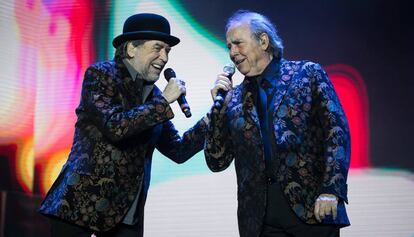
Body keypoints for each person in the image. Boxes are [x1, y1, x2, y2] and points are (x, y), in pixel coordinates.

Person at [39, 13, 207, 237]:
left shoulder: (153, 95)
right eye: (158, 48)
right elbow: (115, 127)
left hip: (127, 214)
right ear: (131, 49)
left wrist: (210, 120)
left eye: (168, 50)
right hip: (81, 207)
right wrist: (164, 101)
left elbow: (178, 150)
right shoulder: (101, 75)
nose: (164, 57)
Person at [205, 10, 350, 237]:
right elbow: (216, 161)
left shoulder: (307, 74)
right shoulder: (233, 99)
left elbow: (336, 132)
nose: (233, 53)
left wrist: (331, 190)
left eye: (238, 44)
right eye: (229, 47)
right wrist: (218, 113)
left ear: (263, 41)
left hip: (312, 208)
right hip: (260, 220)